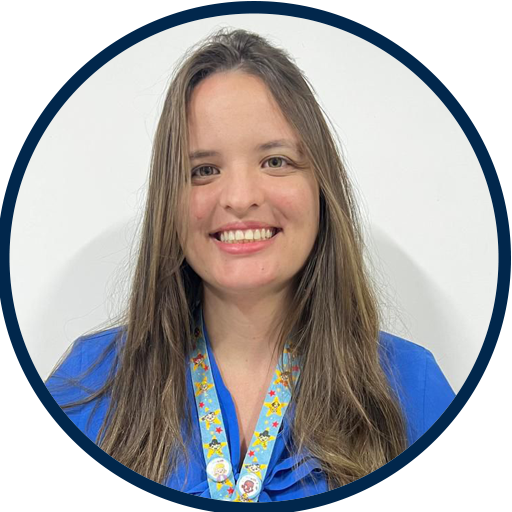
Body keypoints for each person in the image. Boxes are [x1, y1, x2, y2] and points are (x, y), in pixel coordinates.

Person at [46, 28, 455, 501]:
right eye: (203, 170)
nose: (240, 198)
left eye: (276, 161)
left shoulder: (413, 390)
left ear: (322, 189)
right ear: (168, 202)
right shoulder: (87, 386)